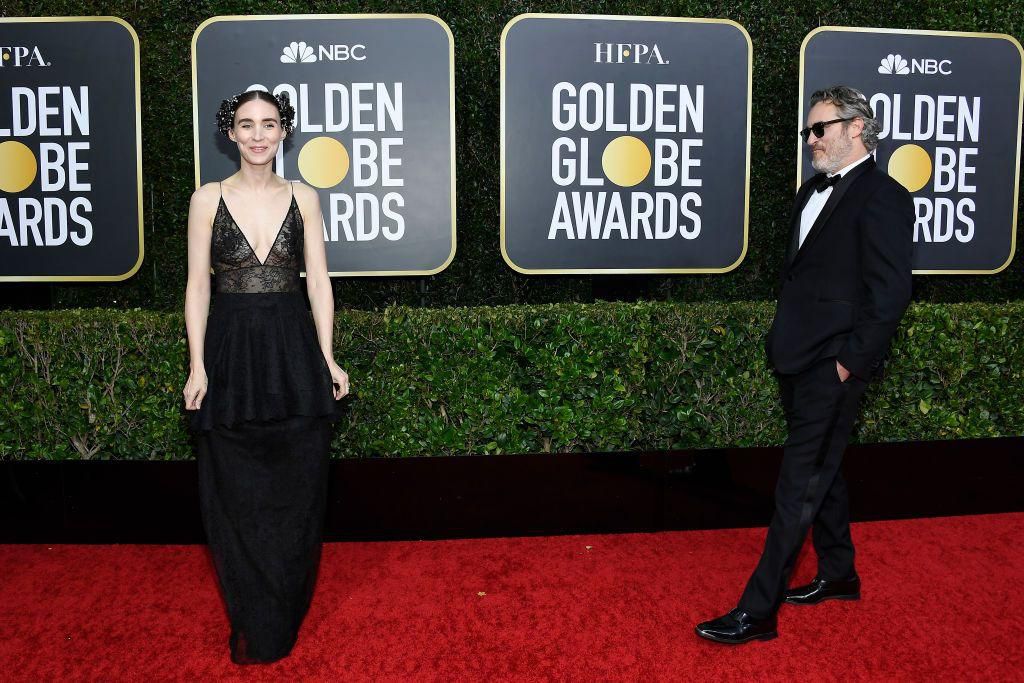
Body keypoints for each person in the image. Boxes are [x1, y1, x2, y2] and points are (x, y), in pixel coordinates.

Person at [696, 86, 914, 644]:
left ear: (857, 128)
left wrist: (848, 364)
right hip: (796, 356)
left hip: (831, 365)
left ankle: (758, 610)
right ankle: (839, 572)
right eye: (808, 131)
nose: (811, 140)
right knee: (825, 469)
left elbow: (888, 294)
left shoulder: (883, 195)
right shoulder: (809, 192)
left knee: (798, 484)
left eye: (821, 129)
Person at [183, 89, 349, 664]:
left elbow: (318, 282)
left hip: (291, 351)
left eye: (269, 124)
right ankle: (252, 608)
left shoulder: (305, 196)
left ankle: (283, 602)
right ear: (230, 133)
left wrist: (327, 357)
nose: (258, 134)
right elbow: (198, 286)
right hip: (230, 352)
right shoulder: (208, 199)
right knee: (236, 489)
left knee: (297, 487)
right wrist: (197, 365)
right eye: (247, 124)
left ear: (284, 133)